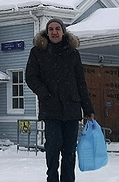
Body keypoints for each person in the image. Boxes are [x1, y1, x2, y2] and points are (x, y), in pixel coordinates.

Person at [25, 18, 94, 182]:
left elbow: (80, 82)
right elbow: (31, 77)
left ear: (63, 32)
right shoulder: (38, 52)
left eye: (57, 29)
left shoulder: (73, 53)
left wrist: (88, 109)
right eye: (51, 29)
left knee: (69, 150)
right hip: (51, 109)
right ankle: (52, 178)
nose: (54, 32)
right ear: (47, 32)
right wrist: (45, 94)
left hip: (72, 109)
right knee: (53, 147)